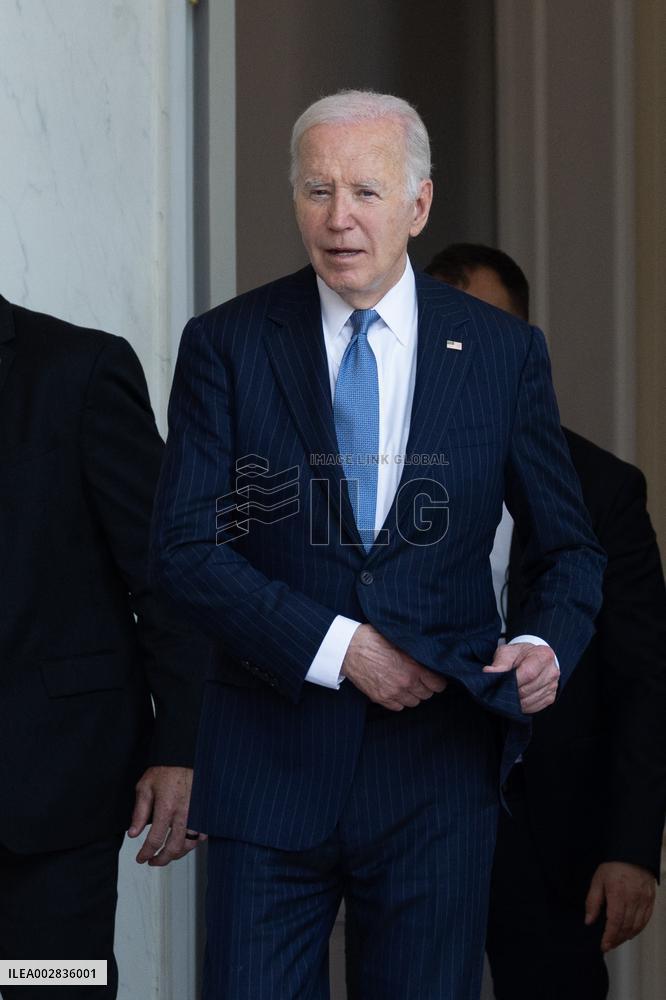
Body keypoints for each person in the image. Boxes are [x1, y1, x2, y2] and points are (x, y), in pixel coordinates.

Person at [151, 91, 606, 1000]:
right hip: (270, 765)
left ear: (420, 204)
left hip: (436, 771)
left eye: (365, 190)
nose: (339, 217)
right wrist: (342, 649)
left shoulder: (503, 352)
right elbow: (185, 548)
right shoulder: (227, 344)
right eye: (316, 190)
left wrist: (548, 643)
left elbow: (569, 550)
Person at [426, 243, 666, 999]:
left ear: (524, 347)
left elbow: (643, 676)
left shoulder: (602, 488)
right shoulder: (370, 478)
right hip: (412, 821)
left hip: (555, 836)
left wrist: (632, 848)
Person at [0, 294, 209, 999]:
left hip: (47, 798)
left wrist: (180, 747)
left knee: (50, 992)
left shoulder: (77, 369)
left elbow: (166, 577)